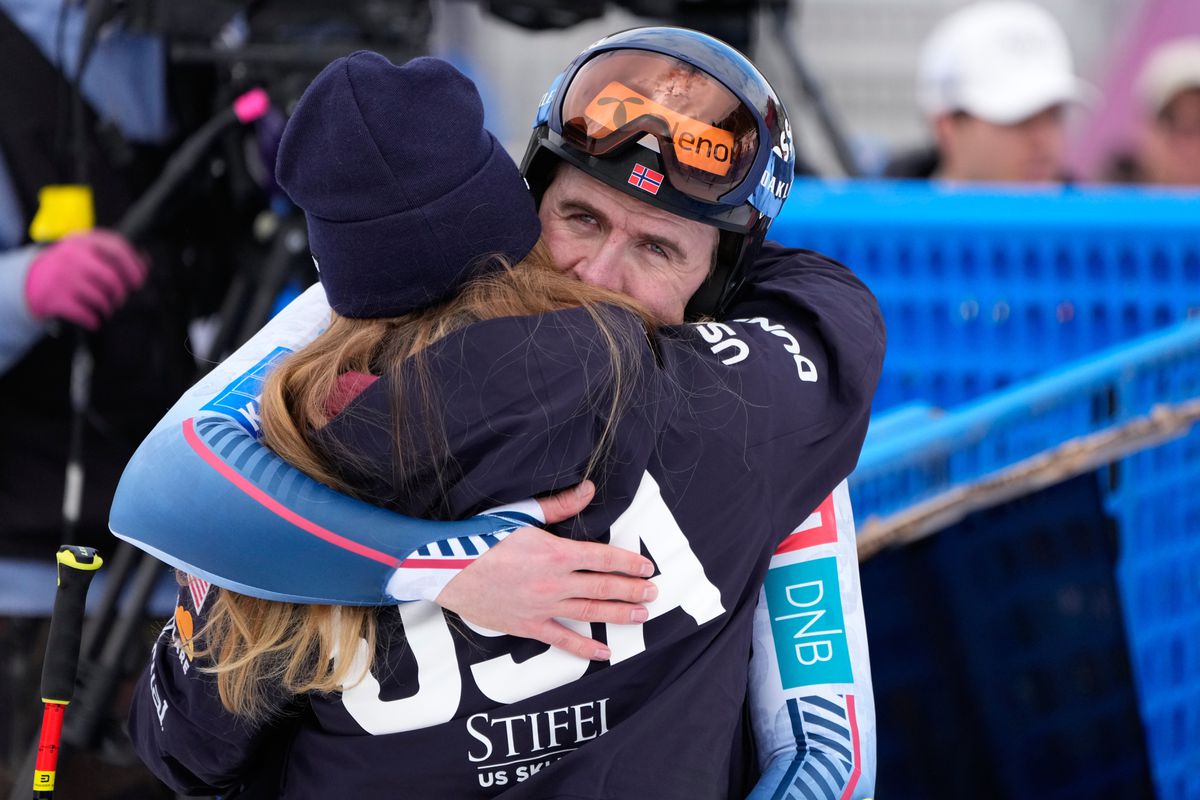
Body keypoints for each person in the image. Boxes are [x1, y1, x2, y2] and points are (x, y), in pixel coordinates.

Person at [122, 32, 883, 799]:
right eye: (581, 218)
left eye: (656, 248)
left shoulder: (293, 462)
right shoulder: (763, 408)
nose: (601, 276)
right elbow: (828, 761)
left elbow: (183, 746)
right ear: (517, 209)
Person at [885, 0, 1089, 183]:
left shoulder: (1090, 219)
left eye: (1054, 116)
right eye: (1018, 118)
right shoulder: (880, 220)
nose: (1043, 140)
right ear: (945, 128)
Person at [1109, 37, 1200, 186]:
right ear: (1144, 129)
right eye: (1170, 120)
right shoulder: (1102, 202)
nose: (1187, 144)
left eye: (1199, 123)